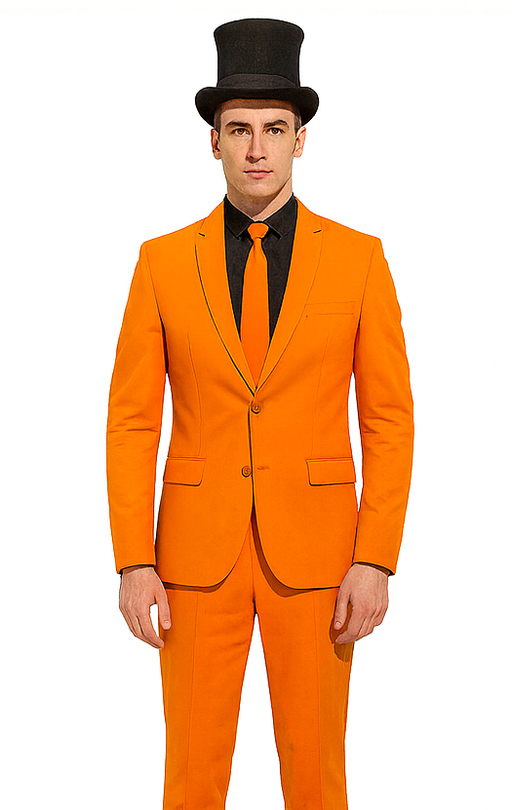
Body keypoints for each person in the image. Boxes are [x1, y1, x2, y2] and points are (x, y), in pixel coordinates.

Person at [106, 17, 414, 810]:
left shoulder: (359, 260)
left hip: (318, 560)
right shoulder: (161, 263)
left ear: (300, 140)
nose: (256, 149)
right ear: (213, 141)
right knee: (190, 779)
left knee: (316, 778)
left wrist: (375, 558)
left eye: (274, 129)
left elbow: (388, 419)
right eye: (239, 129)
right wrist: (134, 558)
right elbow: (133, 420)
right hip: (192, 559)